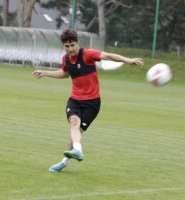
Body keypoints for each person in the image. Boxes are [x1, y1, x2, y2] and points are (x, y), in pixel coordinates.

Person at [33, 29, 144, 172]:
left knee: (76, 134)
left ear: (77, 43)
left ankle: (64, 162)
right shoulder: (66, 59)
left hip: (92, 103)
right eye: (67, 46)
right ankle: (77, 151)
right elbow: (65, 74)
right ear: (63, 46)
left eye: (73, 45)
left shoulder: (87, 54)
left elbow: (107, 55)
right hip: (74, 99)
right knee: (74, 124)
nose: (70, 49)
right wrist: (45, 72)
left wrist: (128, 60)